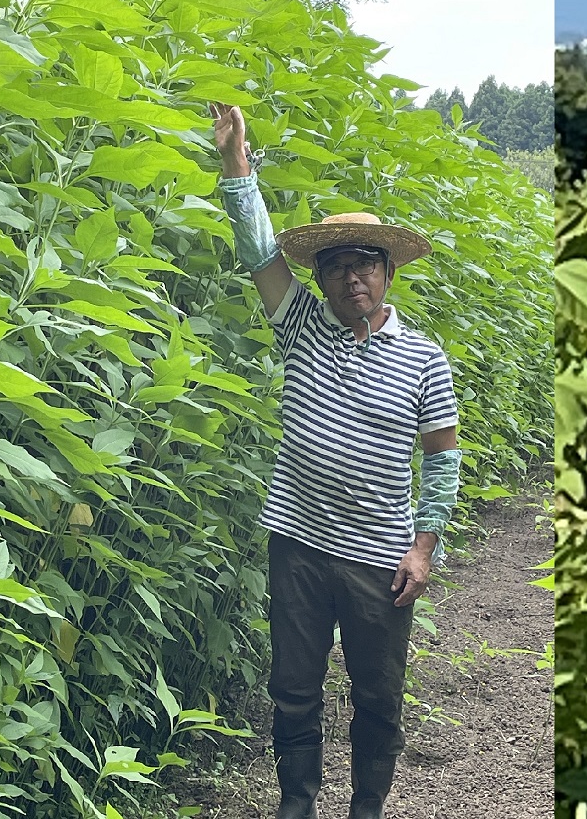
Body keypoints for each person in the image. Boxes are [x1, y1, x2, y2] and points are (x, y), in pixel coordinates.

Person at [209, 102, 463, 819]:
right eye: (340, 267)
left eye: (367, 266)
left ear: (388, 275)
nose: (355, 279)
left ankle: (367, 809)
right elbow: (258, 249)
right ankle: (297, 805)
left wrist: (423, 549)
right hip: (298, 543)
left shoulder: (424, 359)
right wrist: (237, 165)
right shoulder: (300, 327)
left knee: (378, 697)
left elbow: (442, 461)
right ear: (320, 279)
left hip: (380, 558)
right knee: (293, 687)